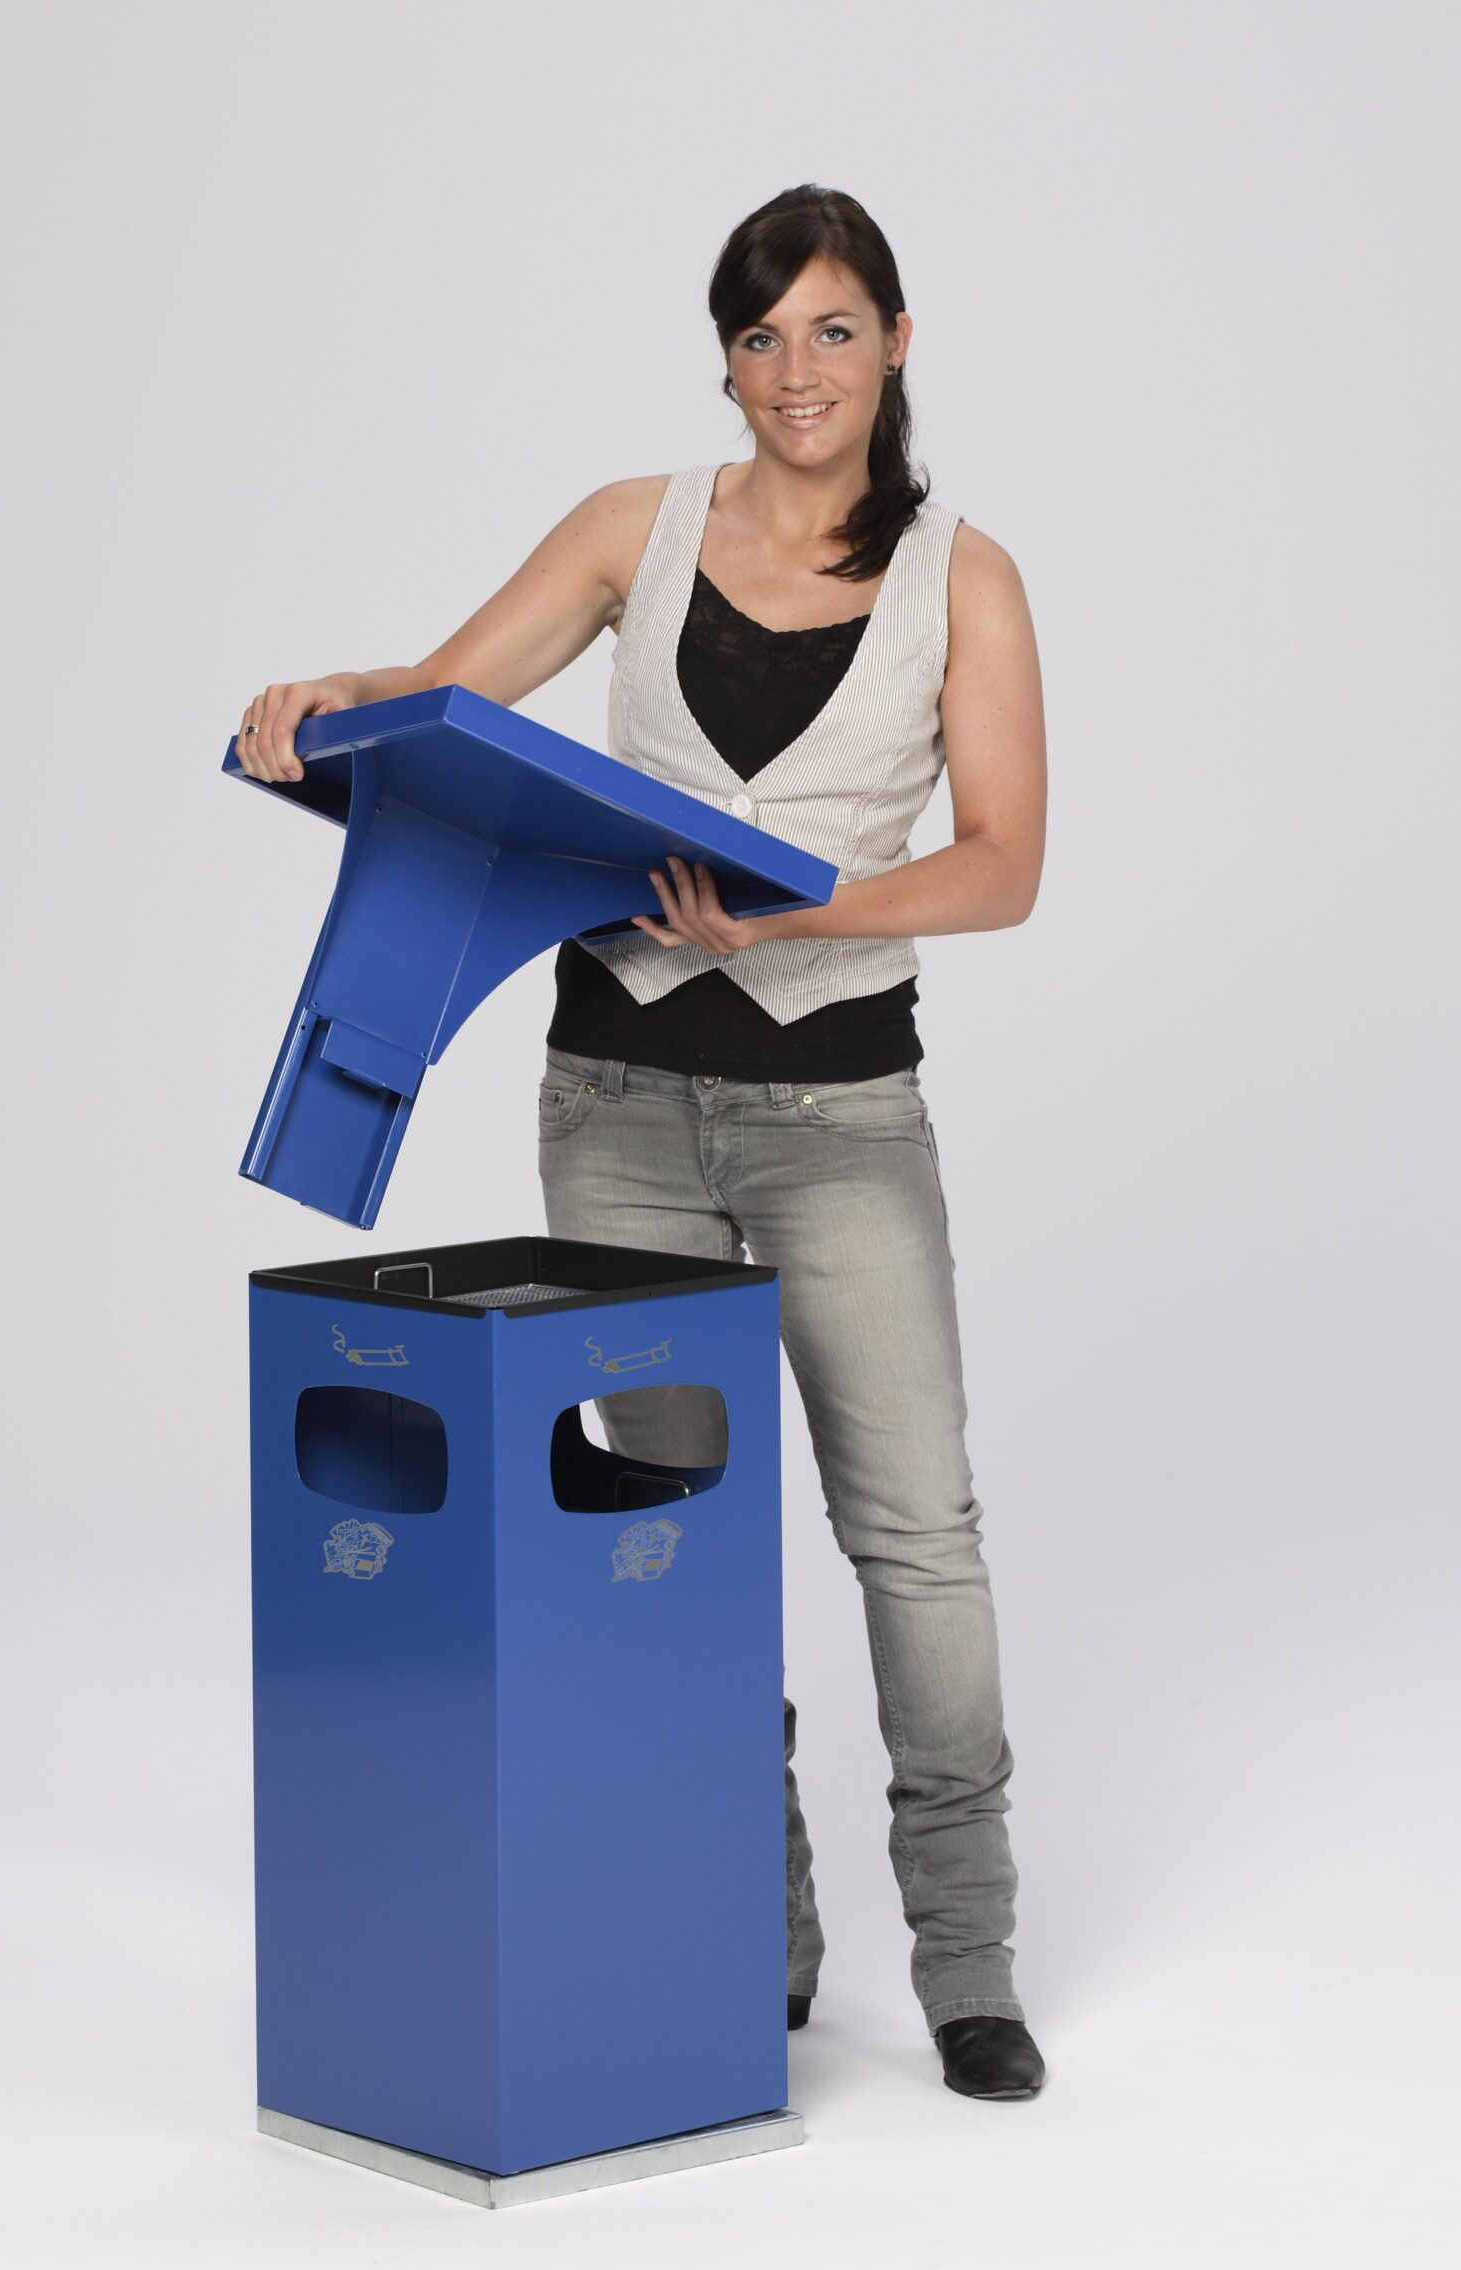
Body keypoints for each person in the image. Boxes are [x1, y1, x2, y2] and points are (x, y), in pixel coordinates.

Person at [234, 184, 1049, 2102]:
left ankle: (970, 1960)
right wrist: (319, 699)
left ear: (897, 344)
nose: (797, 372)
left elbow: (1004, 863)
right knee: (676, 1536)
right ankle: (755, 1926)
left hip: (841, 1118)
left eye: (833, 330)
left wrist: (799, 911)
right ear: (728, 362)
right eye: (761, 338)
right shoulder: (635, 527)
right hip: (616, 1108)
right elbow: (440, 697)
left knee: (914, 1534)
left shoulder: (967, 579)